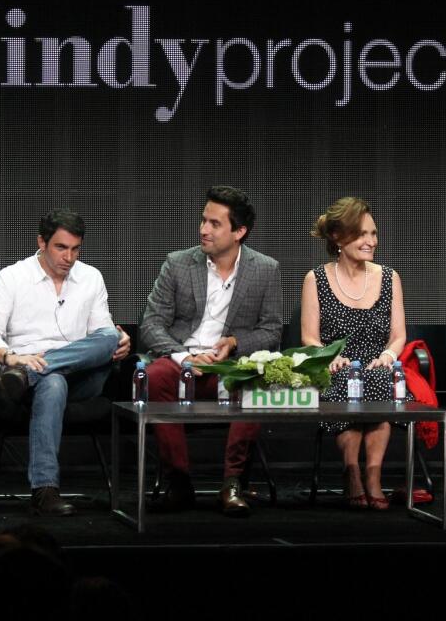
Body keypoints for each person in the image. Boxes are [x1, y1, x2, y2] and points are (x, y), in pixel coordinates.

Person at [0, 209, 131, 516]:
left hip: (81, 378)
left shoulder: (91, 278)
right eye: (61, 248)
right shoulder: (12, 277)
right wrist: (11, 357)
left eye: (75, 249)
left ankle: (25, 375)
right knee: (53, 381)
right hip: (35, 378)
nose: (69, 257)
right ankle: (45, 489)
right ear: (42, 242)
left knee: (110, 336)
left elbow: (102, 332)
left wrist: (120, 342)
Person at [140, 185, 283, 516]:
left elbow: (272, 330)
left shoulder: (265, 269)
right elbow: (151, 325)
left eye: (215, 224)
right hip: (184, 362)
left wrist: (233, 343)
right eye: (204, 220)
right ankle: (178, 482)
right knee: (155, 374)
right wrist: (185, 356)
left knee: (257, 379)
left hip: (230, 366)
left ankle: (232, 483)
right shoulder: (177, 264)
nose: (204, 229)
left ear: (239, 232)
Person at [299, 197, 408, 510]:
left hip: (378, 364)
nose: (370, 241)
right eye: (362, 234)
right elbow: (309, 337)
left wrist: (388, 356)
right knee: (350, 379)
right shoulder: (315, 279)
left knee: (375, 378)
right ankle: (352, 472)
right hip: (334, 367)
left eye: (373, 234)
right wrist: (329, 357)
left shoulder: (389, 277)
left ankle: (373, 474)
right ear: (338, 236)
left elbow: (398, 336)